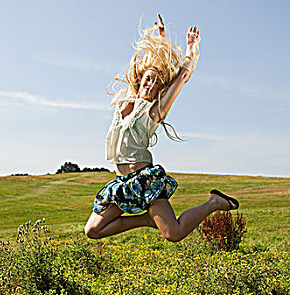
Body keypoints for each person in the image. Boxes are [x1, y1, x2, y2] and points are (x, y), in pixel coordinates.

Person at [84, 14, 238, 242]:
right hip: (121, 184)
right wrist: (161, 41)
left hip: (144, 181)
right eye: (148, 79)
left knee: (173, 233)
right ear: (139, 80)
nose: (151, 84)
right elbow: (151, 62)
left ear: (160, 90)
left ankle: (214, 202)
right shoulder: (125, 102)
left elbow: (182, 76)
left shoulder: (154, 111)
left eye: (156, 83)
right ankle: (146, 220)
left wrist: (191, 51)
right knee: (93, 230)